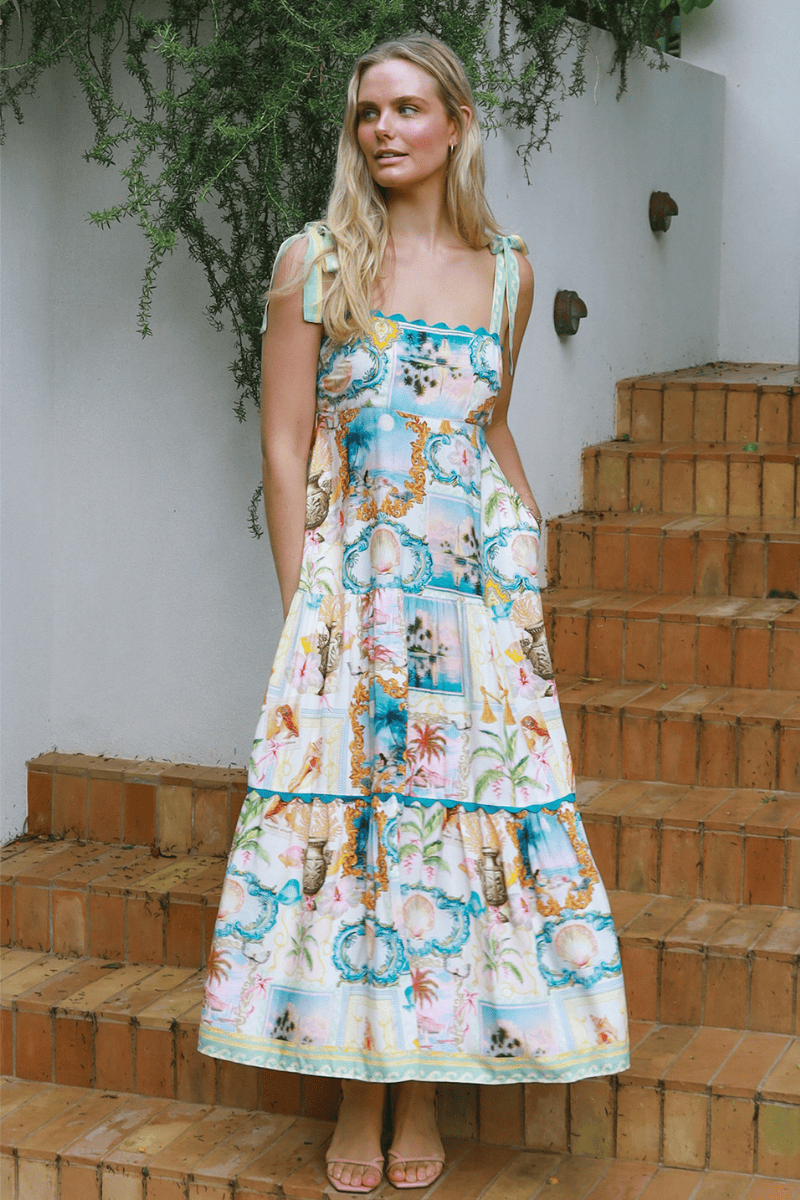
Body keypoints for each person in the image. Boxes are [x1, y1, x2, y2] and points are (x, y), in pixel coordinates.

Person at [198, 33, 629, 1194]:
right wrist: (305, 609)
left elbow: (490, 428)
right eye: (366, 113)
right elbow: (284, 447)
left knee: (447, 830)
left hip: (476, 600)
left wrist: (528, 560)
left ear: (455, 124)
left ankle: (425, 1089)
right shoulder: (314, 261)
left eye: (404, 108)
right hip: (353, 597)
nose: (382, 129)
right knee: (357, 832)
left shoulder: (508, 272)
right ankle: (356, 1091)